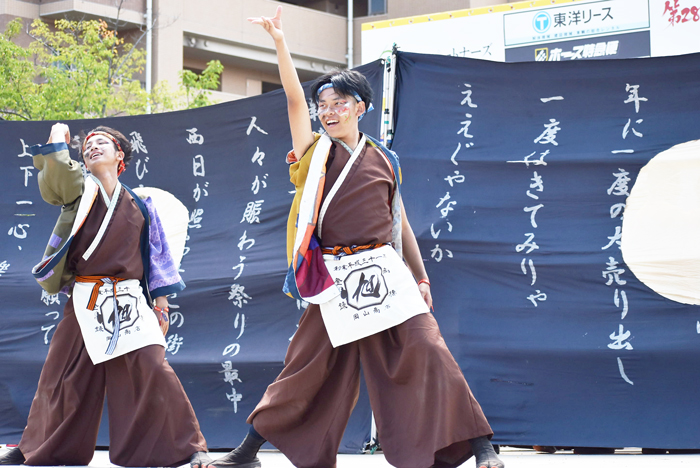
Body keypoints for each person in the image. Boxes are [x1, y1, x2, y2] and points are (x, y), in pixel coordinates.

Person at [212, 7, 504, 468]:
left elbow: (398, 222)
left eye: (339, 103)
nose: (328, 112)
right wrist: (280, 43)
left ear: (360, 107)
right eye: (323, 106)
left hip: (387, 272)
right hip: (334, 276)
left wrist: (421, 277)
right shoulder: (313, 153)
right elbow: (292, 99)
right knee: (303, 367)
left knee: (429, 348)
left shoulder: (386, 159)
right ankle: (248, 452)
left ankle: (483, 446)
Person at [0, 123, 212, 468]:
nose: (91, 148)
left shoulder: (142, 205)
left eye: (101, 143)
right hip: (87, 296)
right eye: (87, 147)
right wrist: (57, 140)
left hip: (129, 298)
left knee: (154, 369)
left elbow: (158, 256)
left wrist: (161, 305)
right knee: (61, 376)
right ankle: (35, 449)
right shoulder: (80, 192)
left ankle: (187, 448)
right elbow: (59, 176)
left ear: (120, 157)